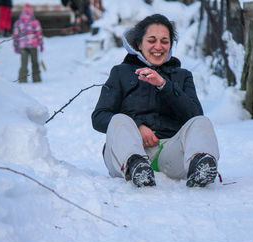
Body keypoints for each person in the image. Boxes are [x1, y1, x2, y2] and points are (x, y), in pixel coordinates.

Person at [91, 14, 220, 188]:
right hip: (124, 153)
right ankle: (137, 167)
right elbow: (99, 117)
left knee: (201, 122)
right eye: (152, 40)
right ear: (139, 44)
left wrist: (164, 85)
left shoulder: (182, 76)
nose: (158, 47)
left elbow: (194, 115)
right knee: (119, 119)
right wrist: (137, 126)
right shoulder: (120, 73)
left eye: (165, 41)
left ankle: (201, 167)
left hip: (168, 154)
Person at [13, 4, 43, 83]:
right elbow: (39, 33)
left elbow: (15, 35)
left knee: (23, 64)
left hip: (23, 46)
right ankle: (36, 79)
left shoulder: (18, 22)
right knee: (35, 63)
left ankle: (22, 79)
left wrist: (16, 46)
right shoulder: (35, 22)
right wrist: (41, 44)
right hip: (33, 45)